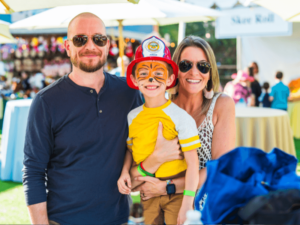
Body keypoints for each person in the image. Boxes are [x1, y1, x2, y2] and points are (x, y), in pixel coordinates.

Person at [22, 13, 143, 224]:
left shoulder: (129, 93)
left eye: (99, 39)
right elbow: (33, 172)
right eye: (80, 39)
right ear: (68, 46)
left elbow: (141, 144)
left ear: (107, 46)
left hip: (119, 219)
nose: (90, 46)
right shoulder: (45, 102)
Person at [129, 35, 235, 215]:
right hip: (158, 200)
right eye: (186, 65)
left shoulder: (221, 104)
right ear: (174, 71)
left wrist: (167, 187)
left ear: (210, 73)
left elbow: (219, 166)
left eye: (203, 66)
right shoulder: (160, 106)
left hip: (205, 200)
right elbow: (136, 165)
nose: (195, 72)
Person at [117, 36, 200, 225]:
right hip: (146, 191)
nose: (151, 79)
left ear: (170, 78)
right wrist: (124, 172)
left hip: (177, 194)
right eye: (144, 73)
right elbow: (130, 149)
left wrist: (188, 200)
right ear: (133, 79)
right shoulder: (132, 117)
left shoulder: (181, 118)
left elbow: (193, 164)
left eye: (159, 73)